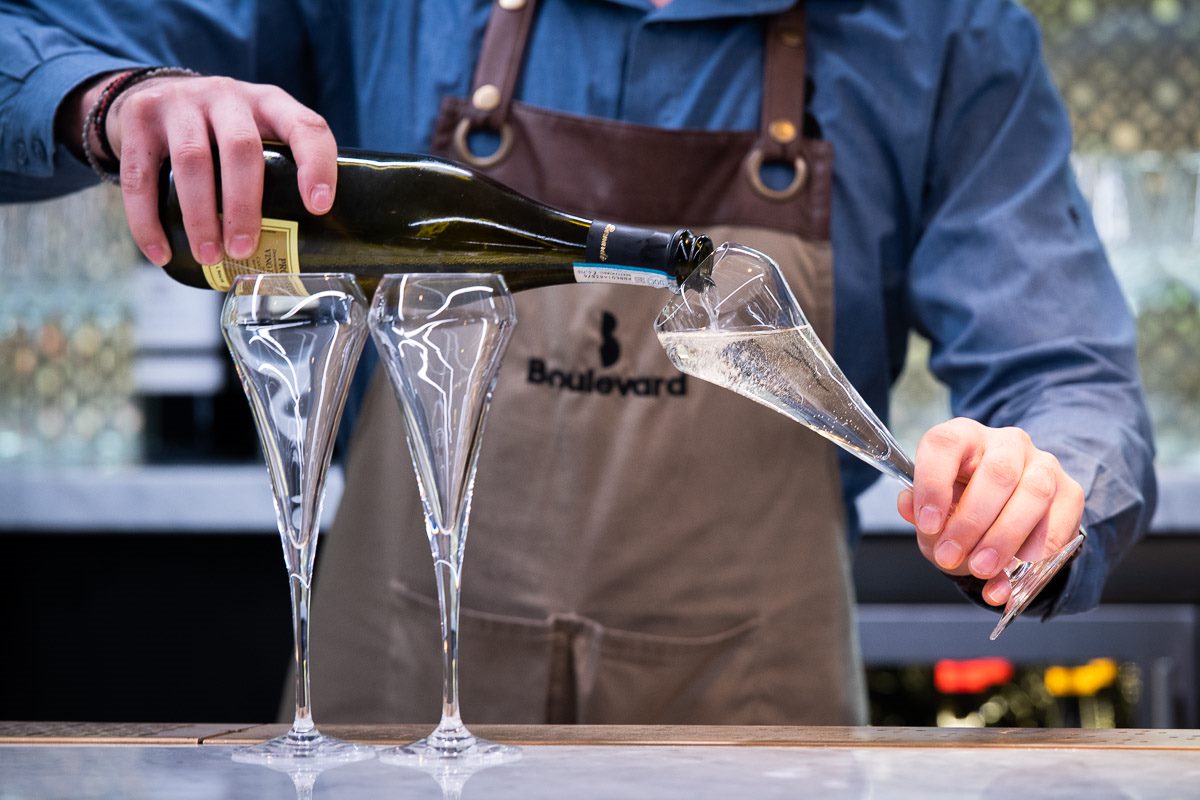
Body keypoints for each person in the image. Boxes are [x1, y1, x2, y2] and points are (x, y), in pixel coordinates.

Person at [0, 0, 1156, 725]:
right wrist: (113, 98)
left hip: (753, 726)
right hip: (395, 701)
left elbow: (1072, 384)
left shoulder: (947, 32)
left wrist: (1040, 481)